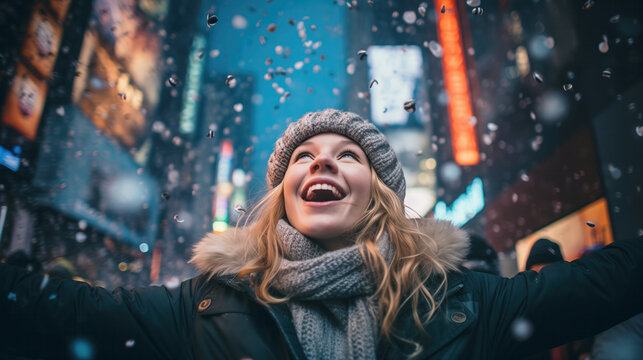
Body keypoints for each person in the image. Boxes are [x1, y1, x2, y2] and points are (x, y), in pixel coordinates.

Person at [1, 109, 642, 360]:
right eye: (304, 155)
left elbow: (607, 282)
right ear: (282, 194)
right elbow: (55, 314)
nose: (322, 161)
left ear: (379, 196)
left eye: (348, 154)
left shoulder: (458, 302)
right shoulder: (202, 307)